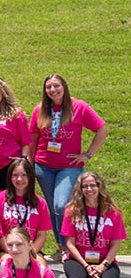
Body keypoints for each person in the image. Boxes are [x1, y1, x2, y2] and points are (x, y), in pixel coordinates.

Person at [29, 74, 108, 252]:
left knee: (61, 205)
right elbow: (33, 137)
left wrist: (87, 154)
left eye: (56, 86)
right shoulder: (41, 109)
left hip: (69, 166)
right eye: (48, 87)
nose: (52, 90)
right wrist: (30, 163)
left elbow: (102, 128)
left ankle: (67, 247)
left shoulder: (78, 107)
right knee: (52, 207)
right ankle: (61, 247)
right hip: (43, 166)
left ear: (64, 86)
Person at [0, 159, 51, 262]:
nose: (19, 179)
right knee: (8, 262)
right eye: (15, 175)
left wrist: (30, 253)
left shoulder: (40, 203)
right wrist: (12, 251)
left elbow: (41, 235)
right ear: (10, 177)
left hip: (30, 250)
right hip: (5, 250)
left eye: (24, 175)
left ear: (30, 177)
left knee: (40, 265)